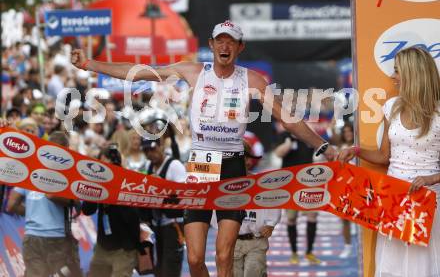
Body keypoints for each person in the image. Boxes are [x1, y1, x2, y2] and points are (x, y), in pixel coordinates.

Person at [72, 20, 336, 277]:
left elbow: (287, 119)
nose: (225, 46)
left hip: (232, 165)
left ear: (240, 47)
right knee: (195, 258)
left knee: (224, 255)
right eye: (220, 41)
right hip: (201, 165)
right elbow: (139, 72)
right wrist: (89, 64)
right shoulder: (194, 72)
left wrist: (324, 146)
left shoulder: (252, 81)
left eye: (231, 42)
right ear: (211, 45)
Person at [339, 47, 440, 277]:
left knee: (423, 266)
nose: (393, 77)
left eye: (397, 71)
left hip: (429, 201)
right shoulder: (392, 106)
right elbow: (384, 156)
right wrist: (356, 150)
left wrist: (431, 178)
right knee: (391, 267)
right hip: (393, 199)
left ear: (413, 73)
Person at [6, 131, 82, 277]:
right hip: (56, 238)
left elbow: (11, 204)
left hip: (31, 238)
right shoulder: (68, 174)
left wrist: (32, 213)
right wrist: (64, 199)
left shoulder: (30, 169)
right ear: (66, 150)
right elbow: (65, 199)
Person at [82, 144, 141, 277]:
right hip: (103, 247)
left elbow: (133, 216)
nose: (103, 169)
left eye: (106, 164)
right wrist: (96, 184)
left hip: (124, 249)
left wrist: (114, 186)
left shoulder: (128, 182)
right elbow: (87, 210)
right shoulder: (98, 182)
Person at [142, 118, 186, 277]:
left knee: (171, 267)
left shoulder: (174, 166)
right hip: (156, 224)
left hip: (173, 224)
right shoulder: (148, 167)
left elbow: (185, 196)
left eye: (152, 150)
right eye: (146, 151)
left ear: (160, 146)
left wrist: (163, 186)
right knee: (158, 269)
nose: (150, 154)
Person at [231, 142, 281, 277]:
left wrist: (271, 224)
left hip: (256, 240)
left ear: (248, 160)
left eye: (239, 158)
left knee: (254, 272)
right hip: (230, 242)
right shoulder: (221, 186)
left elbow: (273, 200)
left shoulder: (261, 182)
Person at [274, 128, 321, 265]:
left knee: (312, 216)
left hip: (308, 182)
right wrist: (288, 144)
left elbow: (323, 149)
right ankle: (294, 252)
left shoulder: (309, 135)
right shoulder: (284, 135)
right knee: (291, 218)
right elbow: (278, 153)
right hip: (290, 184)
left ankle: (309, 252)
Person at [337, 122, 355, 258]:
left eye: (350, 131)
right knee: (344, 219)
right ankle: (348, 247)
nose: (348, 133)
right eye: (345, 131)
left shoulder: (359, 148)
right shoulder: (340, 148)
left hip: (360, 187)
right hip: (344, 188)